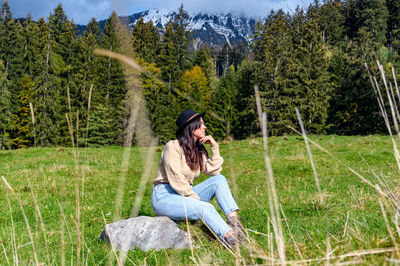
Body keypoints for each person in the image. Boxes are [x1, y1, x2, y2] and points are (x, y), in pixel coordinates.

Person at [151, 109, 243, 246]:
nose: (204, 127)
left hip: (185, 194)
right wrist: (197, 202)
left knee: (219, 180)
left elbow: (214, 171)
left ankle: (235, 223)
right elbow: (177, 179)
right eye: (200, 124)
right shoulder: (172, 146)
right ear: (190, 127)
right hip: (165, 196)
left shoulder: (196, 149)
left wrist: (214, 147)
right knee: (206, 208)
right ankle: (230, 239)